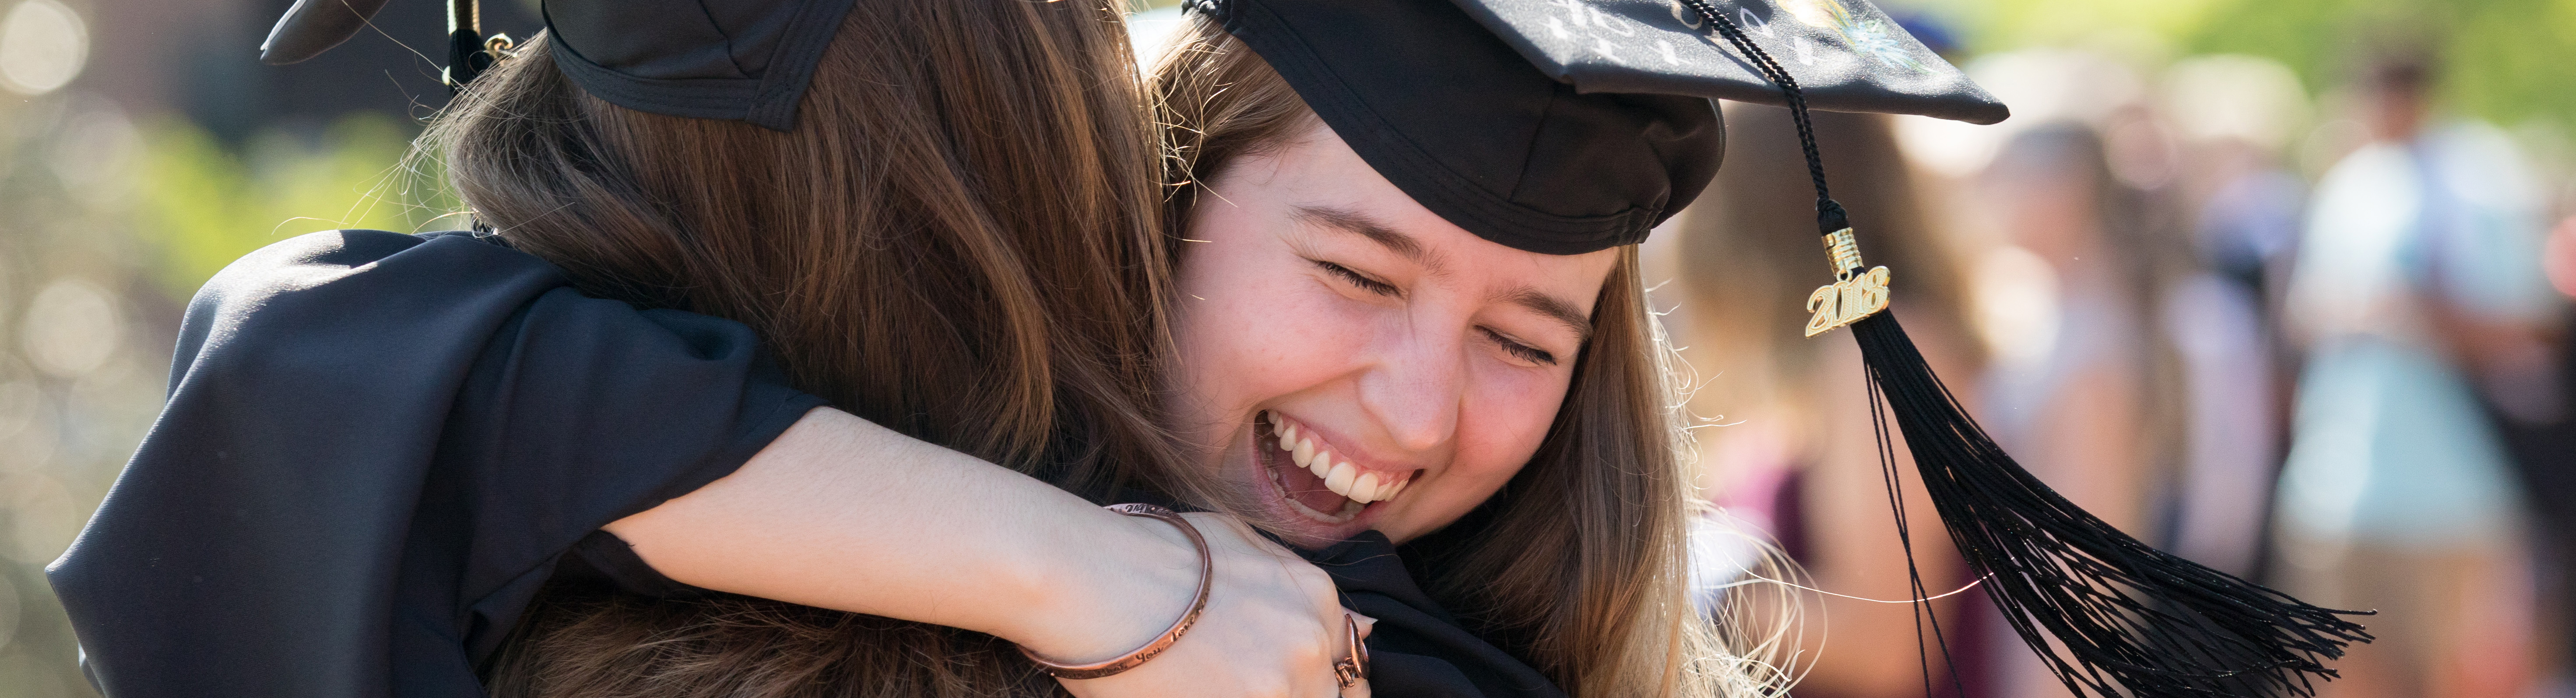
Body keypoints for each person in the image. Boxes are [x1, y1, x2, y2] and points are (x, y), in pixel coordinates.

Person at [2271, 47, 2557, 698]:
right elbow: (2303, 317)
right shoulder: (2349, 182)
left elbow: (2526, 330)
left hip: (2453, 497)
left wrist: (2425, 315)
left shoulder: (2480, 183)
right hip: (2336, 491)